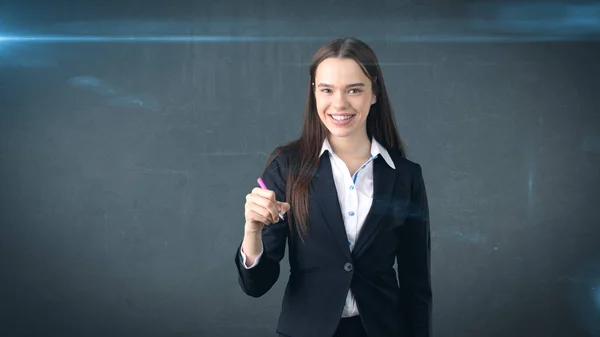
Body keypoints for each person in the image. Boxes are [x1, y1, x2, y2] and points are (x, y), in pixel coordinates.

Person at [234, 37, 432, 337]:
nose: (339, 103)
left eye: (354, 89)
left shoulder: (405, 176)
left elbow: (416, 283)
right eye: (327, 90)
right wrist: (252, 230)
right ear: (314, 93)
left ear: (374, 93)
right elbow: (256, 285)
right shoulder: (286, 167)